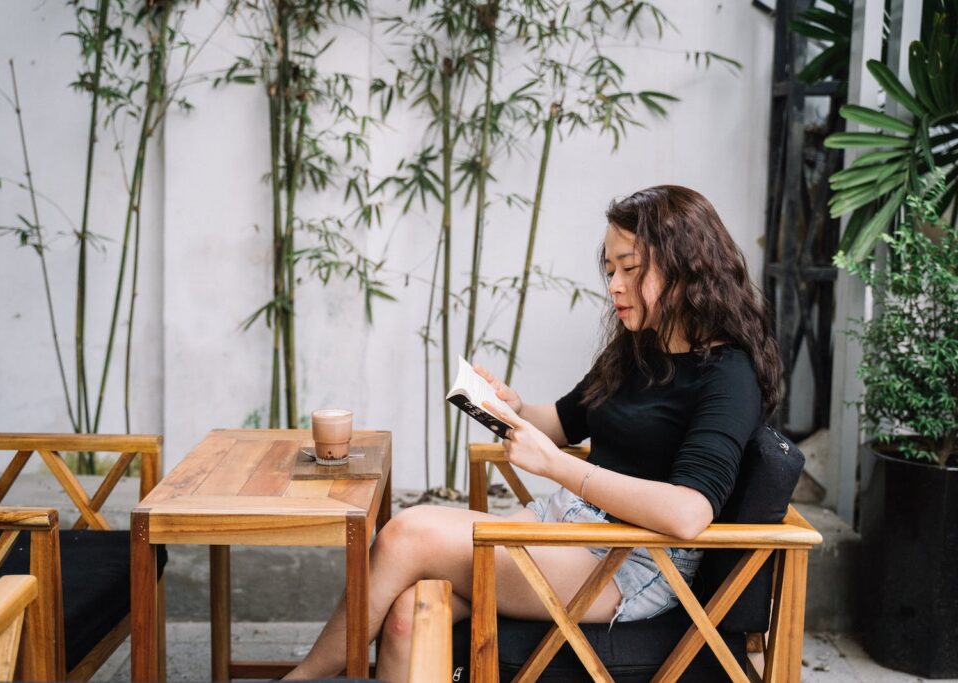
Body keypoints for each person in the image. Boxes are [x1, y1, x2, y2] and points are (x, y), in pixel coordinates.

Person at [284, 185, 781, 681]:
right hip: (567, 526)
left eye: (630, 269)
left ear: (687, 266)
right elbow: (563, 423)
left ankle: (304, 678)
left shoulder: (729, 375)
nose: (614, 285)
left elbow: (689, 512)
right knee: (408, 617)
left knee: (406, 535)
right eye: (610, 270)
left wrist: (555, 465)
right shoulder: (639, 347)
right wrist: (510, 407)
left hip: (634, 562)